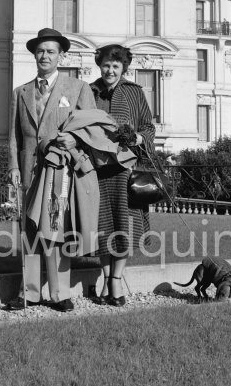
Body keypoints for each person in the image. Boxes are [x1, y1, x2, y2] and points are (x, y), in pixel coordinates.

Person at [7, 28, 97, 312]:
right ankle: (29, 293)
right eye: (40, 51)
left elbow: (93, 127)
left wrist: (74, 139)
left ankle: (59, 294)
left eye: (50, 51)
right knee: (31, 230)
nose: (44, 56)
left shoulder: (78, 88)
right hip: (29, 171)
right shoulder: (21, 92)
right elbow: (14, 137)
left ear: (61, 56)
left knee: (55, 229)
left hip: (60, 172)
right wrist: (13, 167)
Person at [89, 44, 156, 306]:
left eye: (116, 66)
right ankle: (106, 279)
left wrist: (139, 137)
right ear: (100, 65)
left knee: (124, 225)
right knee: (102, 226)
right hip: (96, 171)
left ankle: (116, 281)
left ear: (123, 68)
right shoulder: (90, 91)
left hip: (126, 172)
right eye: (106, 65)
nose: (110, 70)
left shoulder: (134, 92)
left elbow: (148, 127)